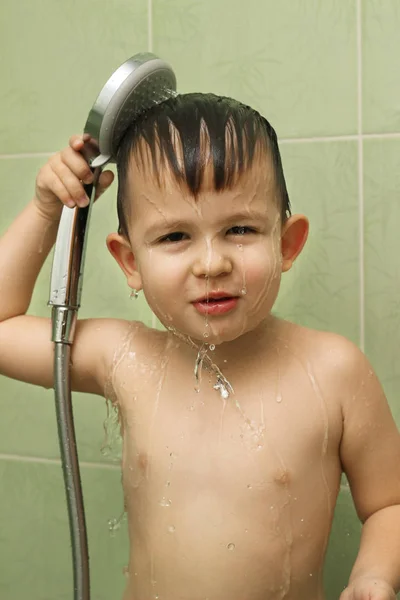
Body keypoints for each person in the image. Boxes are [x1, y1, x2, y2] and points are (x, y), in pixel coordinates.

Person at [0, 93, 400, 600]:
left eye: (239, 229)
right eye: (173, 237)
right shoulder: (124, 359)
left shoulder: (333, 371)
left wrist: (373, 577)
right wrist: (46, 209)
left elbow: (390, 503)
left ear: (286, 243)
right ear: (129, 262)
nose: (210, 264)